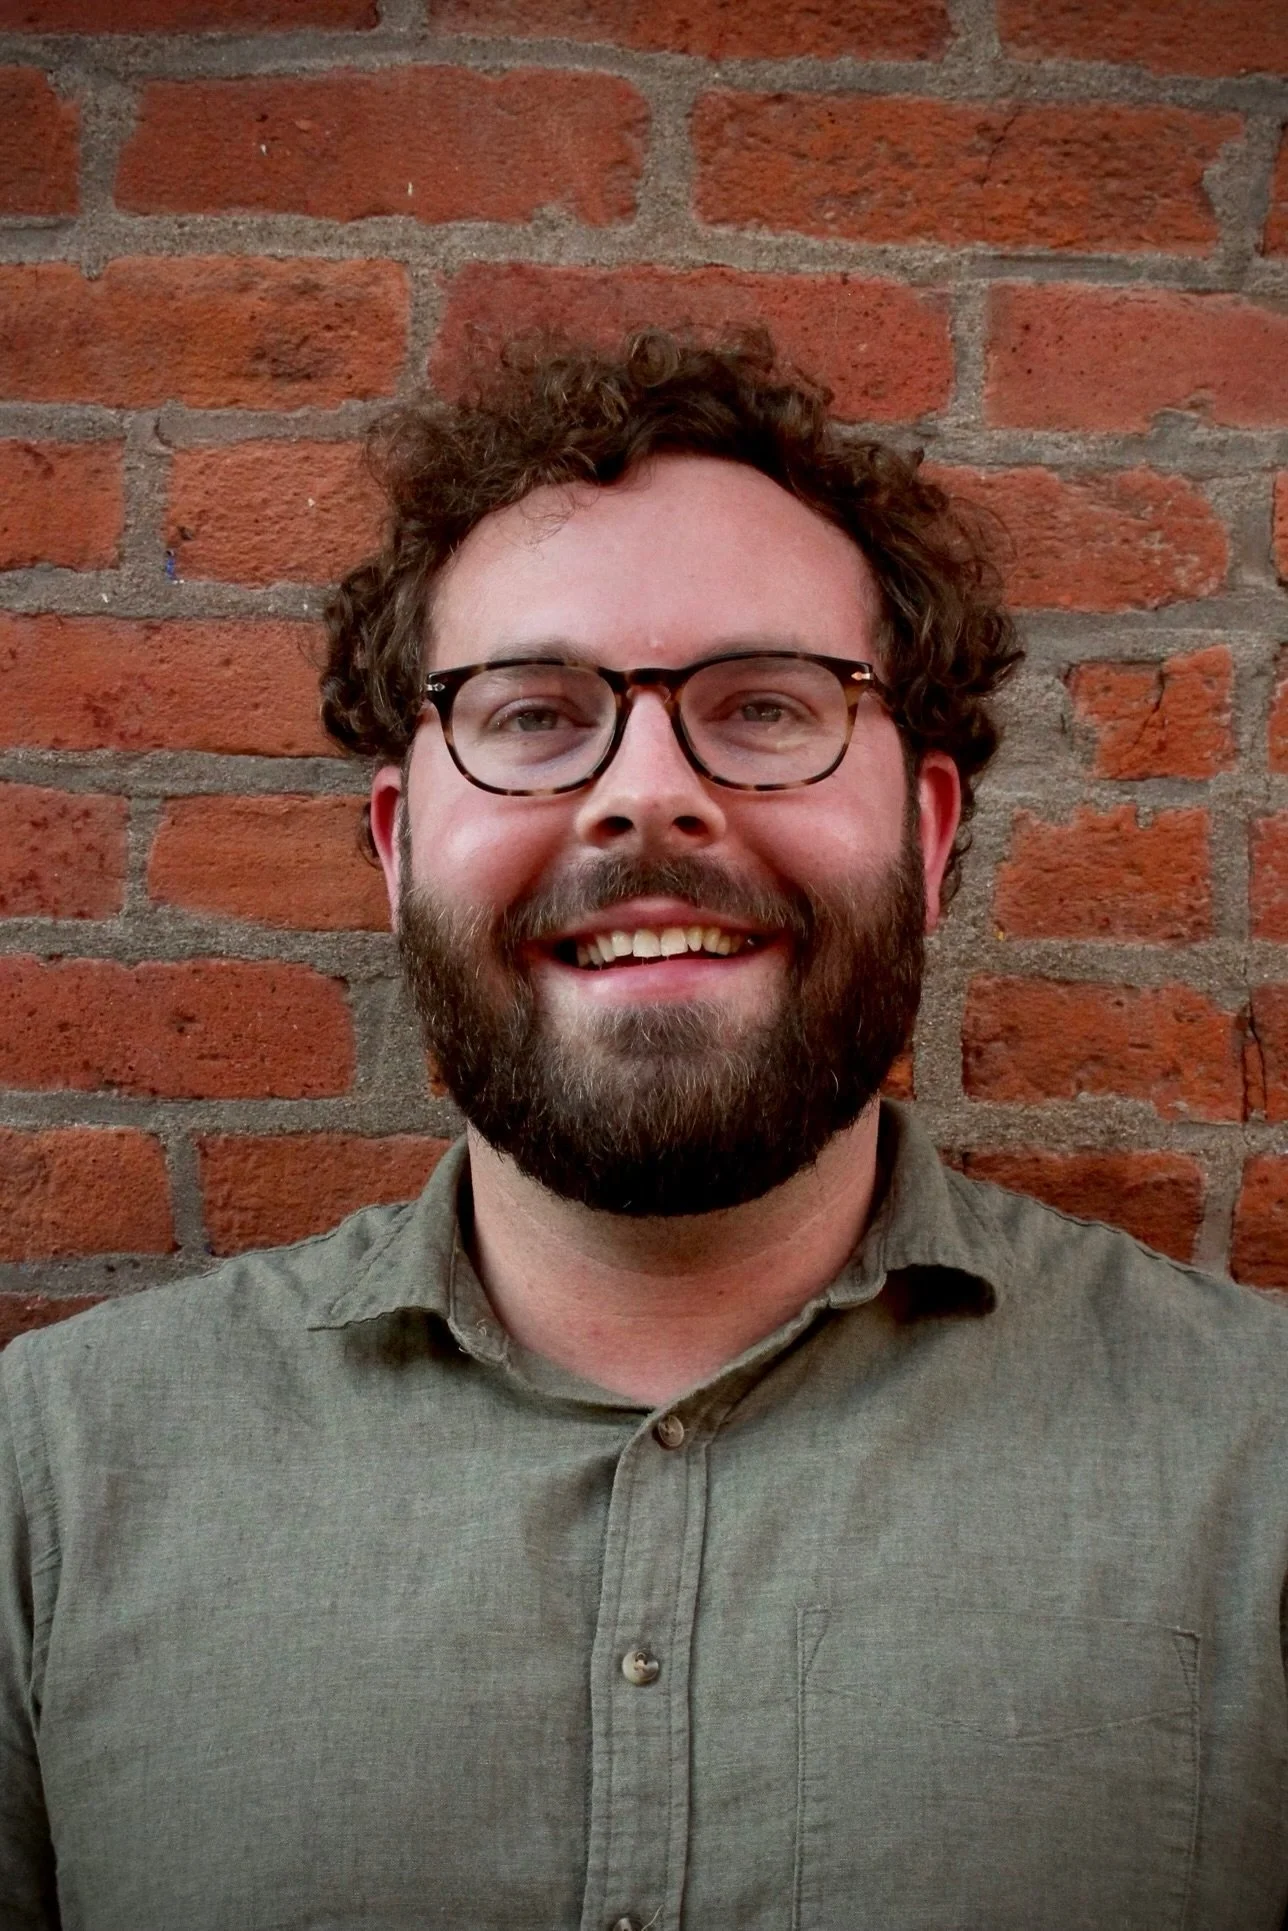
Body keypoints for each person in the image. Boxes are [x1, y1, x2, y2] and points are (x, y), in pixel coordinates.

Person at [1, 330, 1285, 1931]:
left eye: (766, 706)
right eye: (536, 716)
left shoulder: (1260, 1459)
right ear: (400, 845)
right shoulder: (48, 1478)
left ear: (929, 831)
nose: (649, 794)